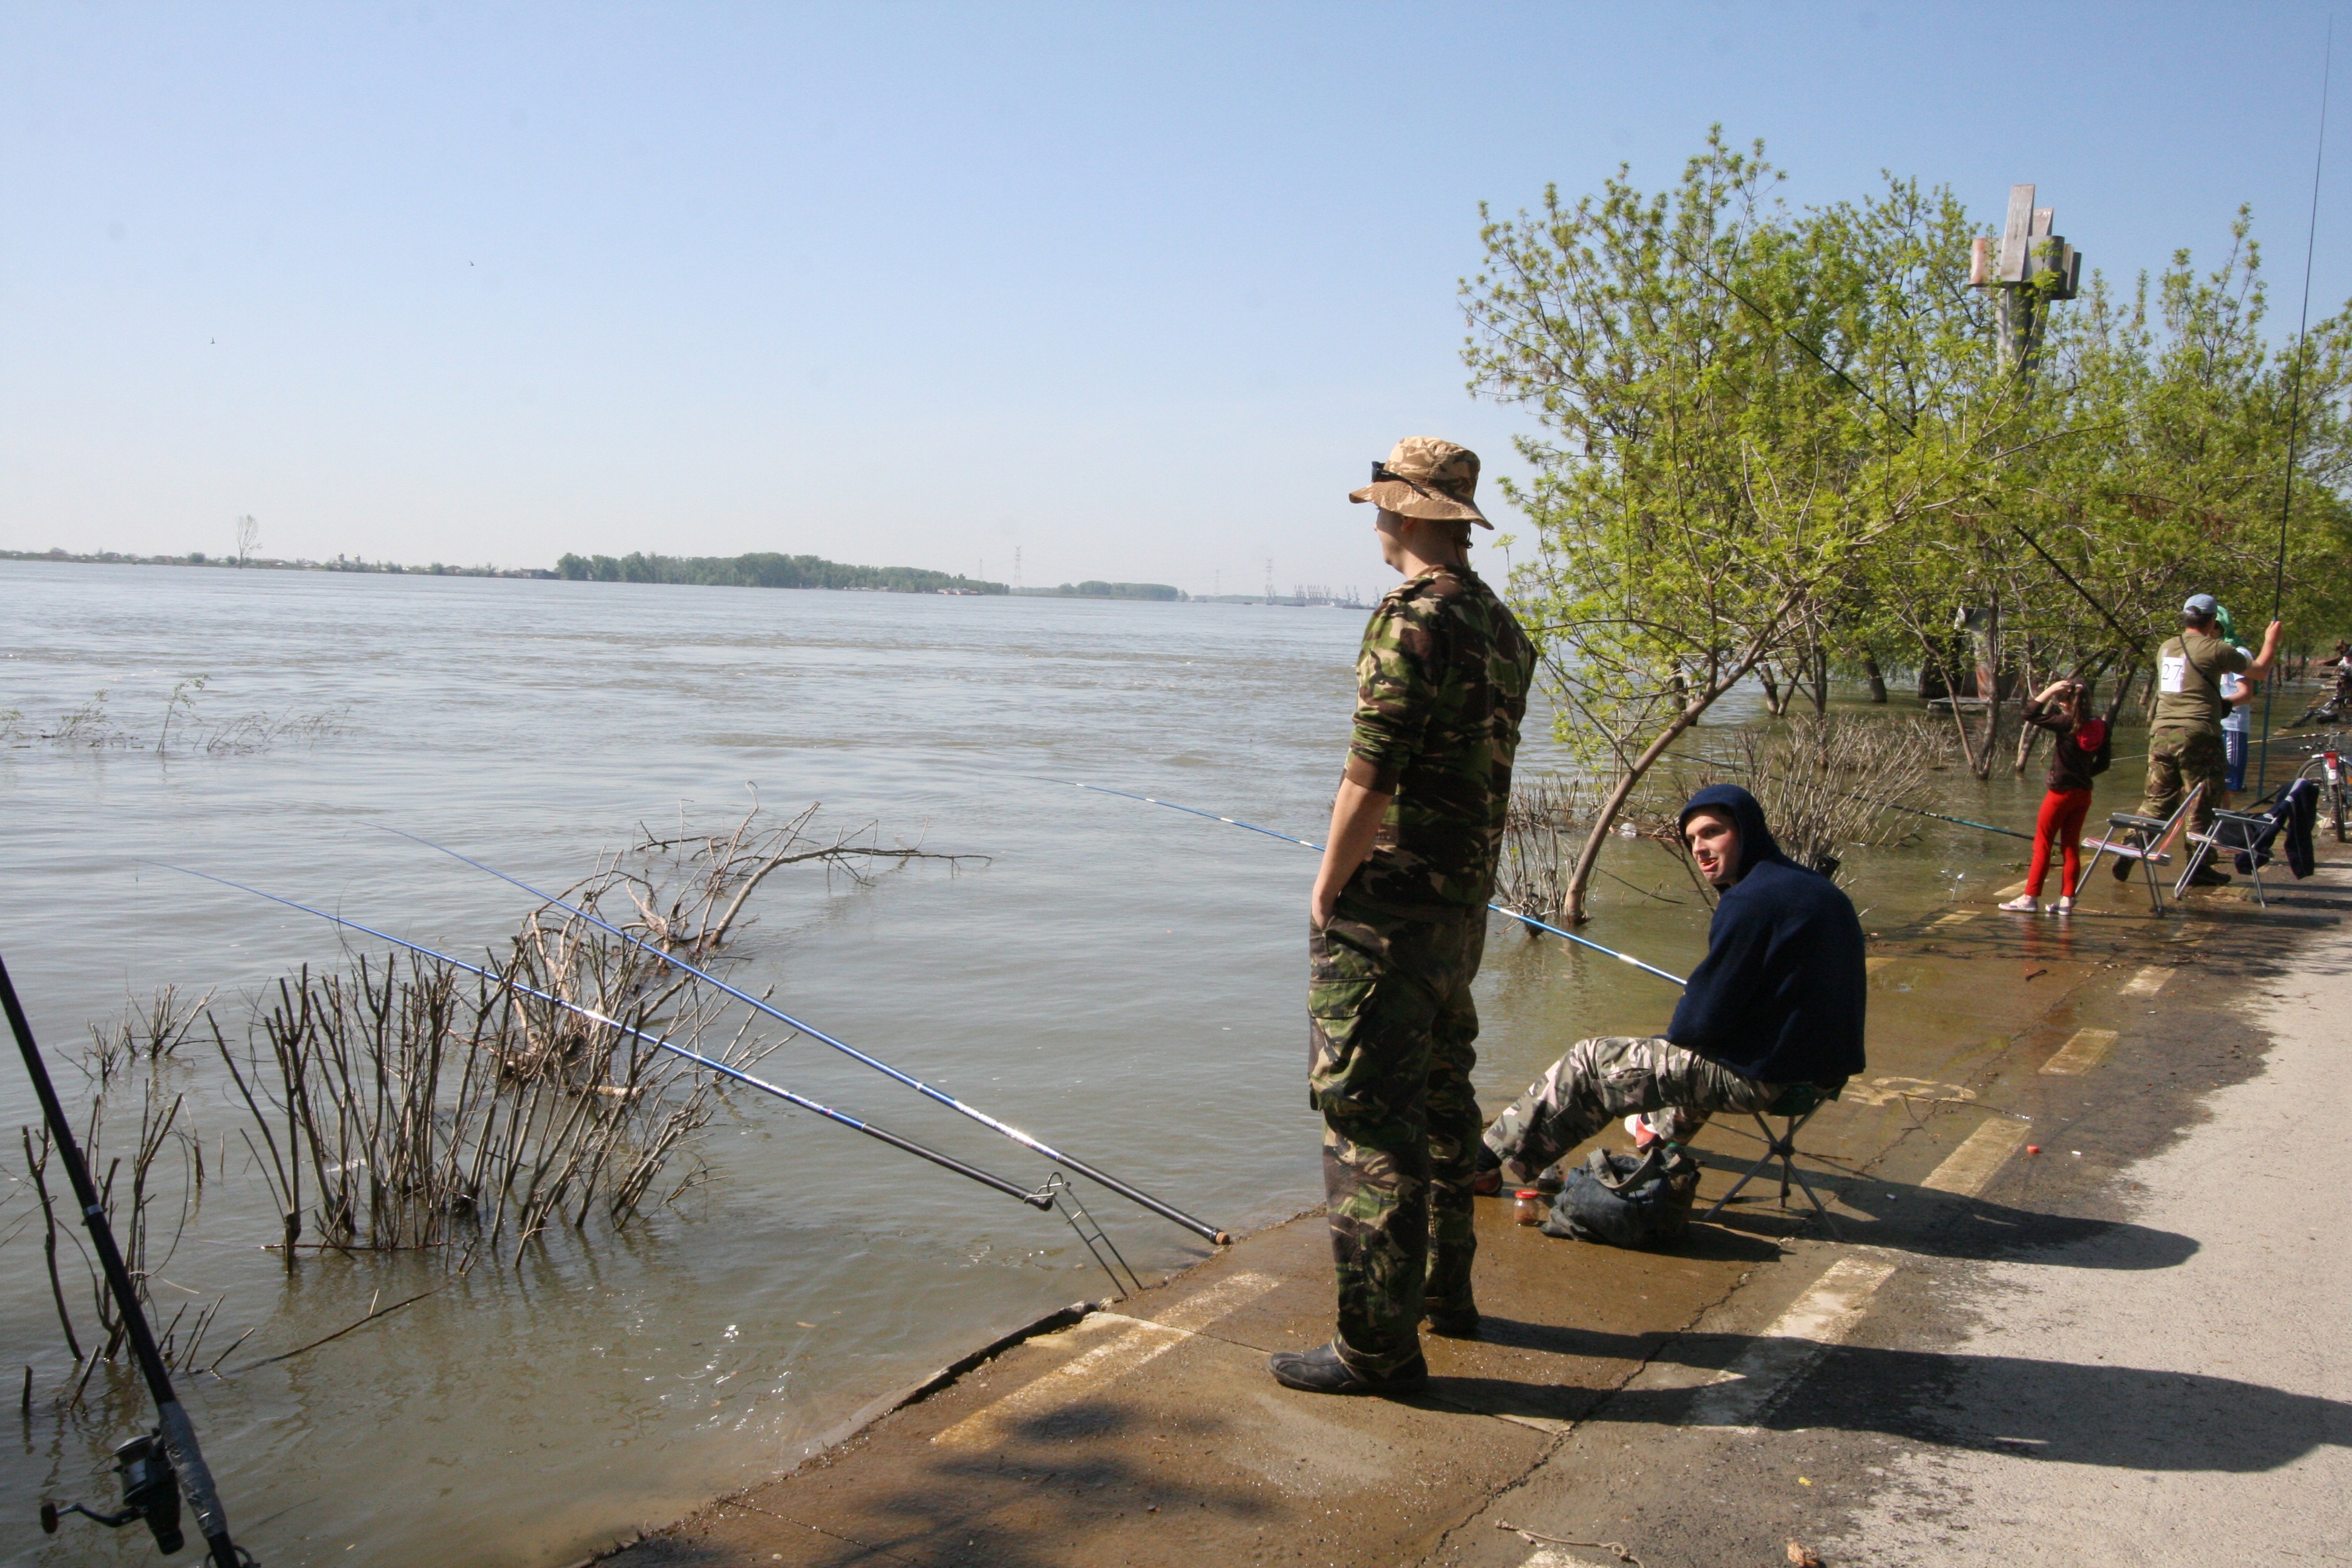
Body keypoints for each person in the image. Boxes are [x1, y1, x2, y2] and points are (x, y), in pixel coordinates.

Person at [1267, 437, 1535, 1398]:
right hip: (1462, 911)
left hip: (1387, 915)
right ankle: (1446, 1299)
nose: (1375, 521)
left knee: (1366, 1121)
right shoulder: (1503, 625)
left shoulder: (1411, 620)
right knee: (1441, 1103)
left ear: (1415, 516)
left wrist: (1327, 883)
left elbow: (1367, 775)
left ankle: (1376, 1349)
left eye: (1383, 505)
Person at [1472, 785, 1867, 1194]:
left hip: (1771, 1081)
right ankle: (1656, 1134)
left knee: (1590, 1060)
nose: (1700, 849)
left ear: (1748, 831)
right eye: (1692, 839)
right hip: (1821, 1077)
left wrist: (1689, 1014)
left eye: (1713, 832)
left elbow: (1695, 1026)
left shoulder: (1751, 900)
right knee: (1689, 1056)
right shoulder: (1809, 888)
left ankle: (1478, 1165)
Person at [2117, 593, 2282, 886]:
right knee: (2202, 801)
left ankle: (2132, 844)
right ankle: (2198, 866)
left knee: (2157, 799)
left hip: (2162, 734)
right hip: (2199, 735)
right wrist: (2271, 640)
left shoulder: (2166, 647)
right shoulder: (2216, 649)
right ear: (2211, 621)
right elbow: (2260, 671)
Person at [2001, 677, 2112, 915]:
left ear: (2064, 702)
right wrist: (2083, 774)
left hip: (2060, 793)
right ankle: (2066, 902)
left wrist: (2049, 690)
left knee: (2042, 845)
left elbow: (2029, 713)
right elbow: (2104, 763)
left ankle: (2030, 898)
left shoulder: (2065, 722)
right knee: (2071, 847)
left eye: (2060, 700)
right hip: (2084, 793)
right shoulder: (2101, 725)